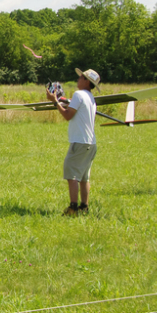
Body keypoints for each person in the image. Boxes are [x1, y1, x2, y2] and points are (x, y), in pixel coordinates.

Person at [46, 68, 100, 216]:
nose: (78, 79)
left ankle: (73, 208)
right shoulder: (90, 97)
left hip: (80, 142)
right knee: (84, 177)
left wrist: (54, 101)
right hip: (91, 143)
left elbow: (68, 115)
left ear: (87, 82)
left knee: (72, 176)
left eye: (81, 77)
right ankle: (84, 207)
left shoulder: (79, 94)